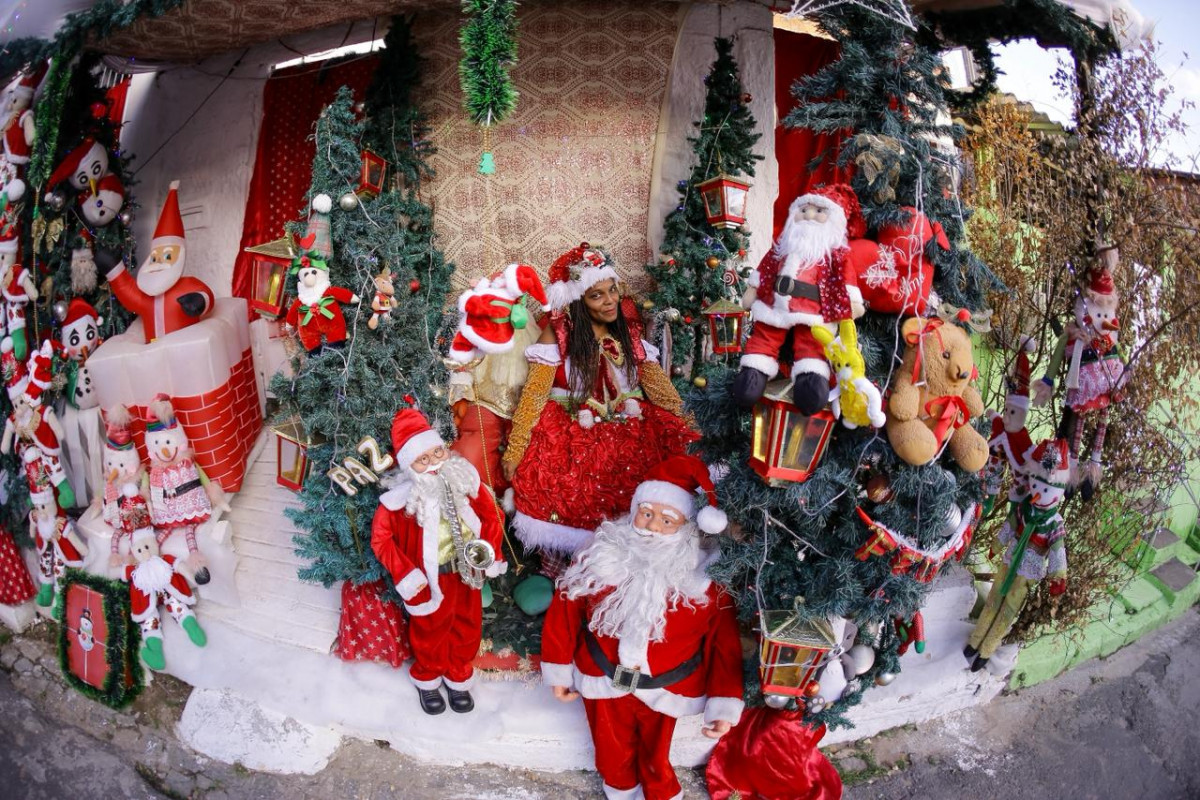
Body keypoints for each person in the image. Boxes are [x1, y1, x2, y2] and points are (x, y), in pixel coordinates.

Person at [541, 454, 743, 800]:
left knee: (655, 757)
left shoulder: (705, 578)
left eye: (667, 520)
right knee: (610, 752)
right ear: (634, 510)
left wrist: (724, 704)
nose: (651, 526)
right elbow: (564, 611)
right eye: (646, 514)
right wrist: (559, 672)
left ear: (687, 527)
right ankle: (619, 792)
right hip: (602, 678)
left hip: (666, 687)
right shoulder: (599, 555)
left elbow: (724, 643)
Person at [502, 243, 696, 576]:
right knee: (569, 482)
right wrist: (515, 449)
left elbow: (659, 388)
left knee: (640, 473)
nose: (609, 301)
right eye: (596, 296)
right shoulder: (558, 333)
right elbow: (534, 394)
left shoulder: (628, 331)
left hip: (631, 420)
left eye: (611, 291)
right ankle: (571, 571)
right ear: (578, 301)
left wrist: (689, 424)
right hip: (573, 423)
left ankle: (628, 568)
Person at [371, 408, 507, 715]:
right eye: (423, 459)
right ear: (410, 466)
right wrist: (407, 575)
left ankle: (458, 675)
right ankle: (428, 677)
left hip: (466, 570)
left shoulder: (464, 480)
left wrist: (490, 551)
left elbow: (492, 515)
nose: (434, 463)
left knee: (467, 624)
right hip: (429, 579)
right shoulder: (398, 502)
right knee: (431, 628)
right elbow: (381, 540)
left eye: (438, 452)